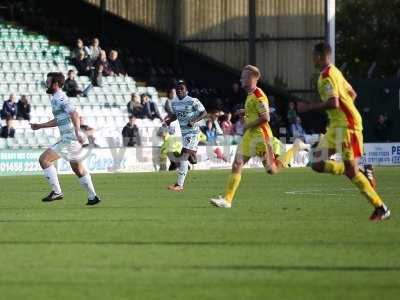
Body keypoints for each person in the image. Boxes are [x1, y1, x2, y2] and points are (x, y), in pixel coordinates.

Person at [296, 42, 390, 221]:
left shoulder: (327, 77)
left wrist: (308, 107)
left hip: (347, 127)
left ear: (319, 57)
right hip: (337, 126)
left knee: (351, 172)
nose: (312, 59)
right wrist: (340, 116)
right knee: (316, 163)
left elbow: (334, 103)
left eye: (313, 56)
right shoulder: (335, 72)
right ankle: (361, 169)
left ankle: (381, 208)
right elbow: (352, 94)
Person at [209, 65, 302, 208]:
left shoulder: (259, 95)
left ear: (252, 77)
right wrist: (245, 111)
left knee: (271, 170)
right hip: (250, 135)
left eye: (243, 77)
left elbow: (266, 118)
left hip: (261, 136)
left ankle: (296, 148)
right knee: (237, 164)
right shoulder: (251, 95)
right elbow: (256, 111)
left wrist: (248, 124)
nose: (240, 79)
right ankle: (227, 200)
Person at [29, 72, 101, 205]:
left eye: (48, 81)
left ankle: (57, 192)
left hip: (69, 139)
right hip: (70, 139)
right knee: (78, 169)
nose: (46, 83)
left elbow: (74, 113)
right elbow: (59, 120)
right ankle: (93, 196)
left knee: (44, 159)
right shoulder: (55, 98)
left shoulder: (60, 98)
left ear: (56, 84)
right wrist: (40, 126)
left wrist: (78, 131)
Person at [163, 80, 208, 192]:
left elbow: (204, 113)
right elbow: (176, 115)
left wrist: (194, 121)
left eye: (182, 88)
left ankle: (179, 185)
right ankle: (193, 157)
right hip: (184, 134)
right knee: (190, 158)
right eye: (178, 89)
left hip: (193, 132)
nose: (179, 90)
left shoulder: (193, 101)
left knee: (183, 156)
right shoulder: (174, 103)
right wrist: (169, 121)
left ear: (186, 91)